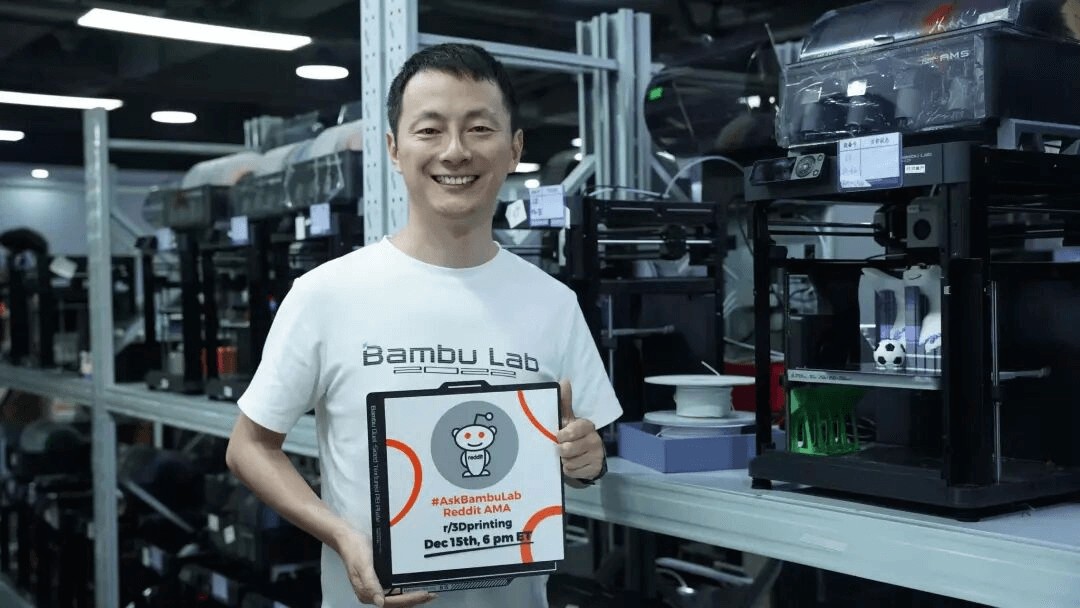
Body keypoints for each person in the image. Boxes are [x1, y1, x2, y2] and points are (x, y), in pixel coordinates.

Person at [226, 43, 622, 608]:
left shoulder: (553, 303)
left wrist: (585, 460)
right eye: (430, 130)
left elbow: (585, 453)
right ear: (394, 149)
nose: (455, 151)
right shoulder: (326, 294)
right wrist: (340, 535)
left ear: (514, 149)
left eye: (479, 128)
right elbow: (249, 447)